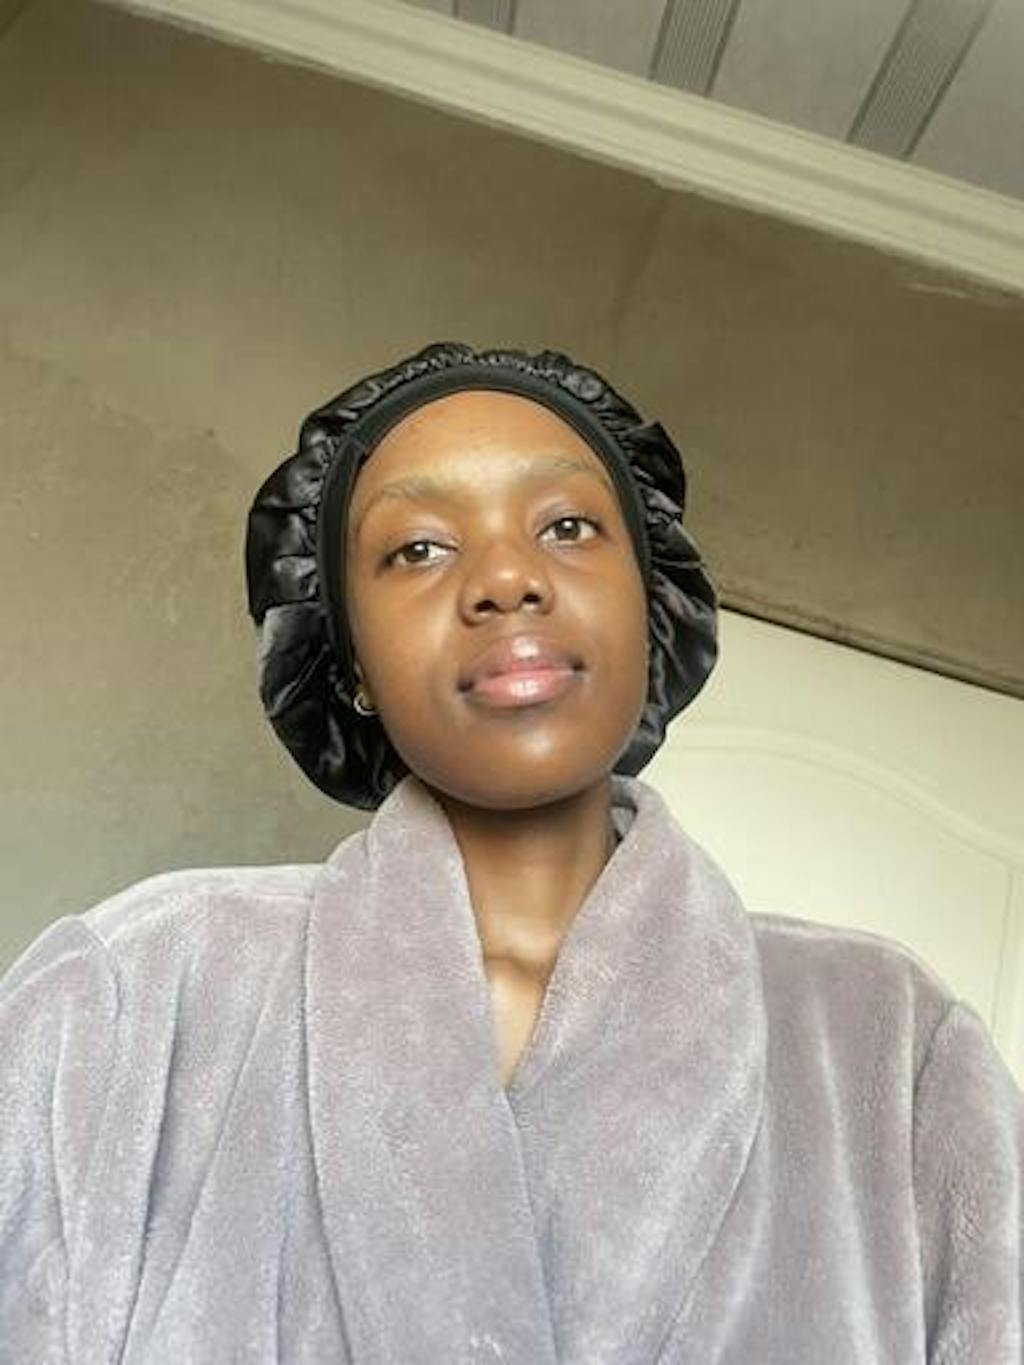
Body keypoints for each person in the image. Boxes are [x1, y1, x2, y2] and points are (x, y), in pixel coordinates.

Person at [1, 340, 1020, 1363]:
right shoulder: (139, 988)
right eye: (418, 549)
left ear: (650, 604)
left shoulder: (892, 1047)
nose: (505, 578)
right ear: (349, 664)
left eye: (568, 527)